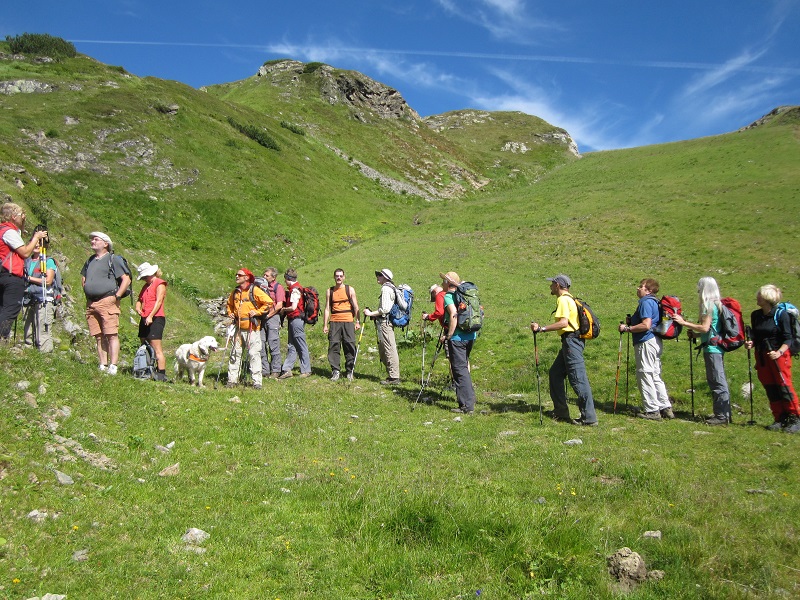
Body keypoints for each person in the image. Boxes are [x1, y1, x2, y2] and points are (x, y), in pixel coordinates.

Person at [531, 274, 598, 426]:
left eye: (552, 283)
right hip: (572, 342)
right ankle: (560, 411)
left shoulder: (562, 299)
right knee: (555, 373)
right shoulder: (571, 299)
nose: (550, 286)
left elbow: (563, 323)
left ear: (558, 285)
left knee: (578, 379)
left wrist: (542, 329)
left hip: (571, 342)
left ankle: (589, 418)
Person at [672, 277, 731, 425]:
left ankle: (722, 416)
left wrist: (684, 322)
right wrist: (697, 335)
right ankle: (724, 413)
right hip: (715, 346)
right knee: (718, 379)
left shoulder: (708, 306)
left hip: (712, 348)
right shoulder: (717, 305)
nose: (697, 290)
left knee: (716, 380)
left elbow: (705, 327)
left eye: (699, 287)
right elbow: (711, 329)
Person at [744, 284, 800, 433]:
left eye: (760, 295)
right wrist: (751, 342)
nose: (757, 297)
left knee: (784, 385)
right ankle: (779, 417)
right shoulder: (756, 315)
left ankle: (795, 417)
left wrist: (779, 352)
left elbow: (788, 338)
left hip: (779, 355)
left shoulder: (781, 315)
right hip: (762, 356)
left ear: (767, 298)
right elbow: (756, 334)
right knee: (770, 387)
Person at [619, 278, 673, 420]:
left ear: (649, 290)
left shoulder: (646, 302)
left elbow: (646, 325)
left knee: (645, 373)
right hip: (655, 341)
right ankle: (665, 407)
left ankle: (652, 410)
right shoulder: (655, 302)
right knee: (655, 374)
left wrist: (627, 328)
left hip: (645, 341)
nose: (638, 288)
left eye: (641, 287)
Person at [81, 232, 131, 375]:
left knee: (111, 334)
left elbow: (126, 279)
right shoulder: (90, 260)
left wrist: (116, 296)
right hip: (91, 302)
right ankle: (102, 364)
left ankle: (113, 365)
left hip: (107, 300)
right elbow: (83, 277)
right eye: (92, 239)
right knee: (98, 335)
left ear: (105, 244)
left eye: (96, 239)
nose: (92, 241)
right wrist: (87, 289)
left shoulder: (113, 259)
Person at [0, 202, 49, 342]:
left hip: (3, 273)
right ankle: (2, 337)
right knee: (11, 309)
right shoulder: (9, 232)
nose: (23, 217)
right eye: (21, 215)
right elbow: (25, 252)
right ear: (14, 216)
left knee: (3, 307)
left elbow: (19, 232)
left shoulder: (4, 230)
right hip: (12, 276)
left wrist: (22, 223)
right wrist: (36, 237)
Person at [226, 267, 273, 389]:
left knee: (253, 354)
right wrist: (230, 312)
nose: (236, 276)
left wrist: (257, 312)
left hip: (253, 328)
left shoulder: (255, 290)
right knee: (235, 353)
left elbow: (268, 302)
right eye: (236, 275)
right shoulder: (235, 292)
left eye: (239, 275)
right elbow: (229, 304)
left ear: (246, 277)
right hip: (238, 328)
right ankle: (232, 380)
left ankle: (257, 381)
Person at [441, 271, 477, 414]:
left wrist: (449, 335)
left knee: (459, 371)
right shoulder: (466, 296)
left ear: (448, 283)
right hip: (470, 336)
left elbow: (453, 315)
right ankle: (469, 399)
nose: (441, 284)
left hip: (457, 338)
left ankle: (467, 406)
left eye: (443, 281)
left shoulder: (449, 296)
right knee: (463, 368)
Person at [364, 268, 401, 385]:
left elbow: (384, 309)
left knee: (389, 348)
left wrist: (370, 313)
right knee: (388, 347)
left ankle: (394, 377)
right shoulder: (391, 287)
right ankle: (392, 375)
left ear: (385, 277)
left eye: (379, 275)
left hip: (385, 322)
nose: (377, 277)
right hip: (387, 321)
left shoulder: (385, 288)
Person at [322, 268, 360, 381]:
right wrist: (325, 325)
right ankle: (335, 371)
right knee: (333, 345)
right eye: (337, 276)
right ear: (334, 277)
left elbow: (356, 306)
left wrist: (357, 321)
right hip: (334, 321)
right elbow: (327, 309)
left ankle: (349, 371)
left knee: (349, 345)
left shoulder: (350, 289)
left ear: (344, 277)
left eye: (341, 276)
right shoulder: (330, 291)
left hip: (348, 320)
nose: (339, 278)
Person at [135, 262, 168, 381]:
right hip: (144, 317)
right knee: (144, 343)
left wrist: (151, 316)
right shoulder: (146, 286)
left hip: (156, 318)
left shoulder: (160, 283)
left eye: (145, 276)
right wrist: (138, 307)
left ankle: (161, 374)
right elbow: (139, 299)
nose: (144, 279)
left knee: (156, 347)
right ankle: (146, 368)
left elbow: (159, 301)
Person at [23, 243, 58, 353]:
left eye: (40, 243)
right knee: (27, 328)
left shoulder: (48, 261)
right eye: (34, 242)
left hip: (44, 298)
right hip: (28, 297)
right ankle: (29, 352)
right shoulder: (27, 261)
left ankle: (45, 354)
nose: (36, 245)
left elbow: (48, 281)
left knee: (42, 328)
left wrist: (29, 278)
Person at [278, 268, 311, 379]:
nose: (284, 282)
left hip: (296, 319)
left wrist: (283, 309)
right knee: (292, 345)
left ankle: (306, 370)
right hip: (294, 320)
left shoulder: (295, 290)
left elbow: (293, 307)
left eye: (285, 279)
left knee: (301, 344)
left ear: (288, 278)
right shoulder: (295, 288)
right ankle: (287, 369)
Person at [259, 267, 285, 379]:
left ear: (273, 277)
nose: (264, 277)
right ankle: (264, 369)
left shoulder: (278, 288)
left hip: (273, 317)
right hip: (261, 317)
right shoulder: (260, 287)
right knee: (261, 343)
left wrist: (269, 315)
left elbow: (279, 305)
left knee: (273, 342)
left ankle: (275, 370)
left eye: (267, 275)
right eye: (264, 275)